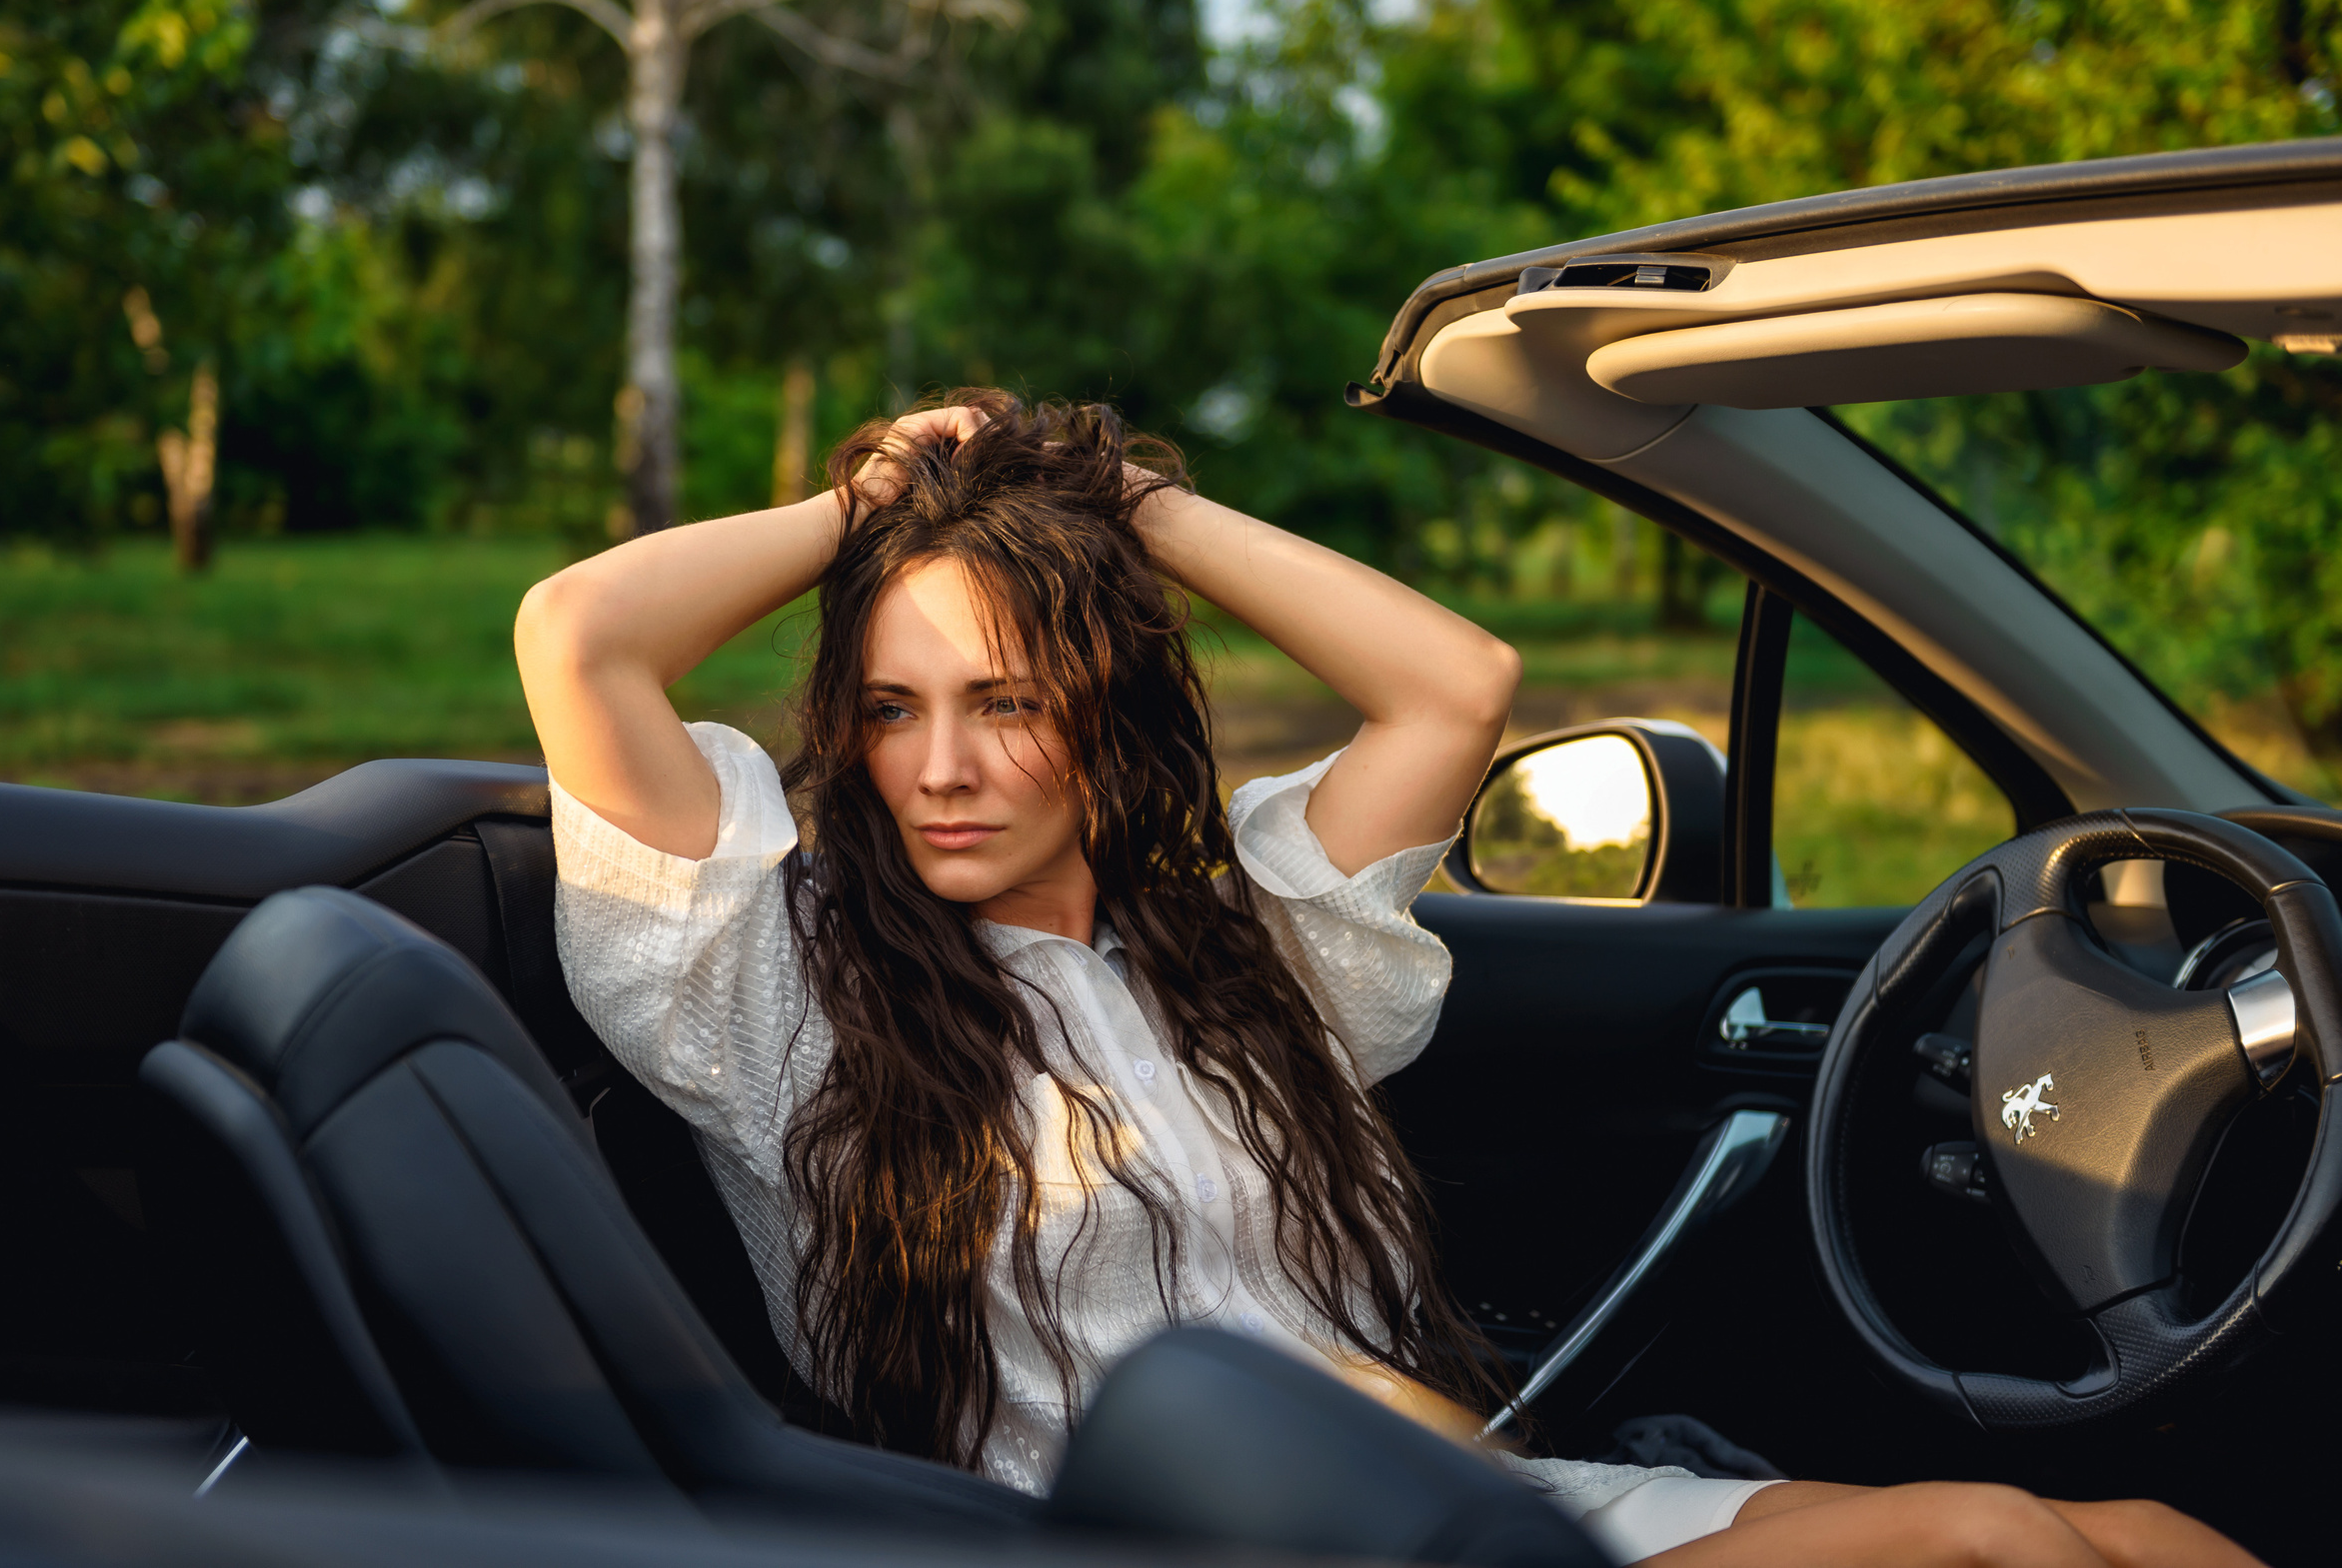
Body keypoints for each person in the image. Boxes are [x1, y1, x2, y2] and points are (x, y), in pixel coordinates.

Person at [514, 392, 2259, 1567]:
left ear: (1107, 723)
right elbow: (577, 636)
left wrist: (1139, 506)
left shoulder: (1238, 951)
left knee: (2152, 1537)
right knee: (1992, 1545)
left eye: (1009, 700)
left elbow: (1454, 682)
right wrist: (865, 506)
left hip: (1451, 1496)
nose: (941, 766)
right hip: (1161, 1541)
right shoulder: (786, 997)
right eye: (895, 709)